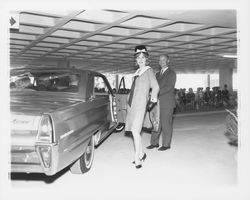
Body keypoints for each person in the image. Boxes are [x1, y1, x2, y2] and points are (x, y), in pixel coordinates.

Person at [125, 45, 159, 169]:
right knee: (135, 131)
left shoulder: (148, 71)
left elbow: (156, 87)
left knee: (135, 130)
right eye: (138, 58)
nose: (140, 60)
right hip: (132, 105)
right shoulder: (136, 73)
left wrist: (152, 100)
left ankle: (137, 158)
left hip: (141, 104)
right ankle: (141, 153)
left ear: (146, 59)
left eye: (142, 57)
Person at [147, 54, 176, 151]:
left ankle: (166, 145)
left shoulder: (172, 73)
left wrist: (155, 93)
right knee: (155, 123)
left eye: (164, 60)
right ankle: (154, 143)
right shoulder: (157, 74)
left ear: (168, 61)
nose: (162, 61)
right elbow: (153, 86)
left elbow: (169, 87)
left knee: (166, 124)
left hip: (167, 103)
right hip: (157, 103)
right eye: (160, 60)